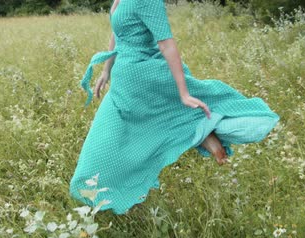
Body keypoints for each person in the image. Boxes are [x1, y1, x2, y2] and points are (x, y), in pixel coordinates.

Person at [69, 0, 280, 214]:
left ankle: (203, 132)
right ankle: (202, 134)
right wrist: (106, 70)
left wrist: (184, 93)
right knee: (122, 140)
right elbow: (118, 34)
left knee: (134, 137)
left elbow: (166, 43)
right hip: (125, 84)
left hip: (142, 79)